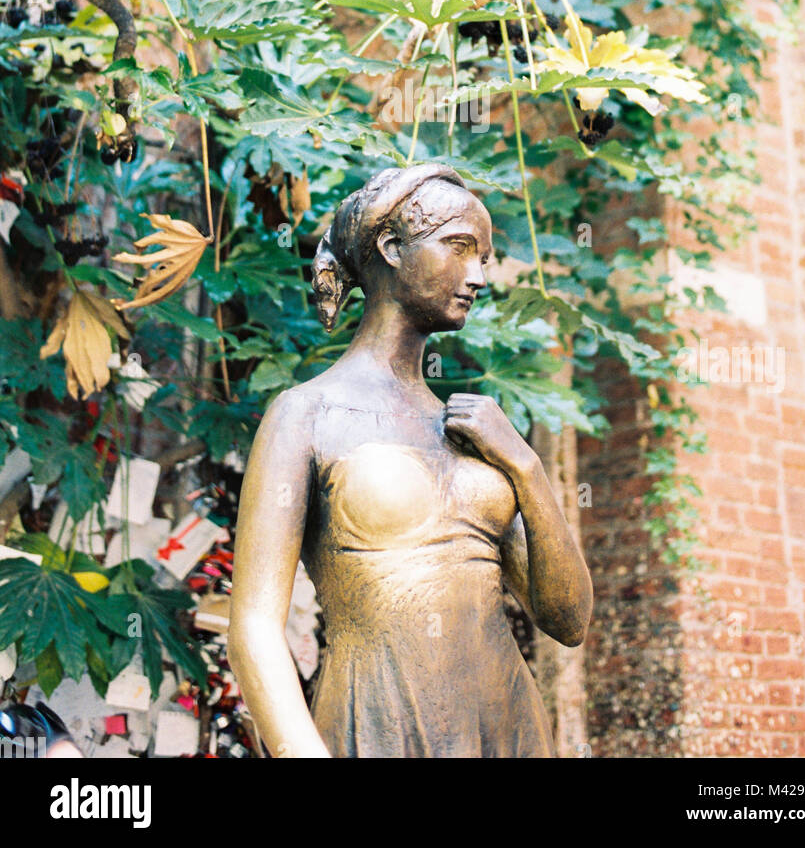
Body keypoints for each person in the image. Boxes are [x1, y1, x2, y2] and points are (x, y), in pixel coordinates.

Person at [229, 162, 593, 758]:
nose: (477, 275)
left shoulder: (476, 434)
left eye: (485, 257)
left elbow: (569, 620)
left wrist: (527, 469)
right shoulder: (306, 415)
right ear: (393, 248)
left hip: (506, 725)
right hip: (379, 719)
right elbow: (253, 629)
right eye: (459, 248)